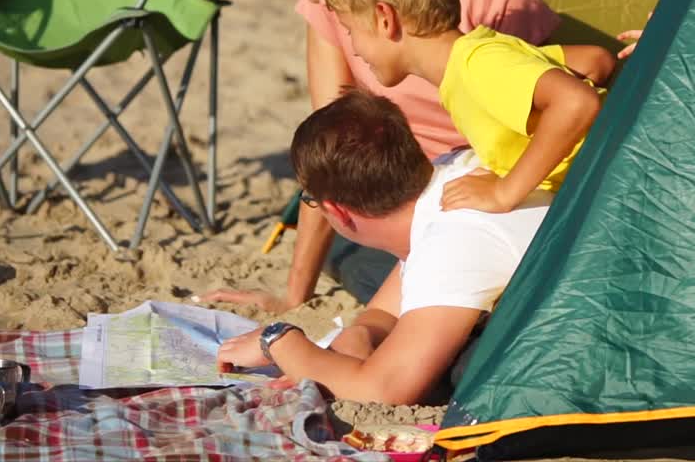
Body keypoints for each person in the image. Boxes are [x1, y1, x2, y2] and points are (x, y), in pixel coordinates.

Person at [196, 0, 560, 313]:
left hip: (489, 181)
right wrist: (295, 293)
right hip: (401, 189)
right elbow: (331, 148)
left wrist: (503, 192)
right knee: (355, 253)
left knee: (393, 274)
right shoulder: (330, 11)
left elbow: (560, 91)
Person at [216, 91, 552, 403]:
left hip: (571, 354)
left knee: (462, 369)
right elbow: (387, 311)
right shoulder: (450, 173)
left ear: (336, 211)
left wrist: (277, 340)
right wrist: (360, 335)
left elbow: (383, 389)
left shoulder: (450, 240)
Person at [322, 0, 615, 215]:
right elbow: (596, 61)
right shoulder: (480, 52)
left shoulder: (477, 65)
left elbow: (576, 102)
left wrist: (506, 190)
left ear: (385, 18)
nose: (353, 49)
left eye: (350, 31)